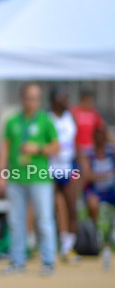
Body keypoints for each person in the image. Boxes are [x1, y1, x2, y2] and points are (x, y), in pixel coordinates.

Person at [0, 83, 59, 275]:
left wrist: (38, 149)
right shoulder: (13, 121)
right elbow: (5, 147)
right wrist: (0, 172)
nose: (32, 102)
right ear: (22, 98)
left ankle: (48, 261)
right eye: (29, 98)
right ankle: (18, 261)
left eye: (35, 98)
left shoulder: (45, 120)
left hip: (39, 177)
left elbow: (56, 146)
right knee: (16, 221)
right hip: (17, 176)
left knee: (44, 220)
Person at [48, 86, 79, 261]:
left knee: (71, 206)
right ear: (54, 99)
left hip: (68, 167)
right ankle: (54, 244)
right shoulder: (47, 118)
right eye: (63, 97)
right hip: (50, 168)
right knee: (55, 207)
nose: (67, 100)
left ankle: (68, 247)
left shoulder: (70, 117)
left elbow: (76, 143)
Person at [82, 124, 115, 222]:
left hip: (111, 189)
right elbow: (87, 176)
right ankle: (95, 230)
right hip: (95, 190)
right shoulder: (89, 155)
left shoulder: (111, 152)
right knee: (92, 203)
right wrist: (107, 175)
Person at [71, 88, 106, 158]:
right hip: (77, 149)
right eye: (88, 101)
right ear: (82, 99)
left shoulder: (94, 113)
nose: (90, 103)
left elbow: (102, 128)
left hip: (90, 149)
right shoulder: (73, 112)